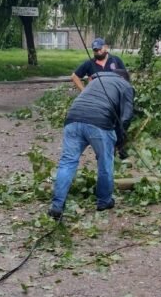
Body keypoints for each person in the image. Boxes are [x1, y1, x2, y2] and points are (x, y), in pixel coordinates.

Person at [49, 69, 135, 220]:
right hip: (99, 123)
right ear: (126, 78)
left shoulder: (94, 81)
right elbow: (126, 117)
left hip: (73, 118)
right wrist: (120, 142)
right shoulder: (126, 86)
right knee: (105, 163)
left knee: (67, 162)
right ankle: (104, 201)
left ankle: (57, 205)